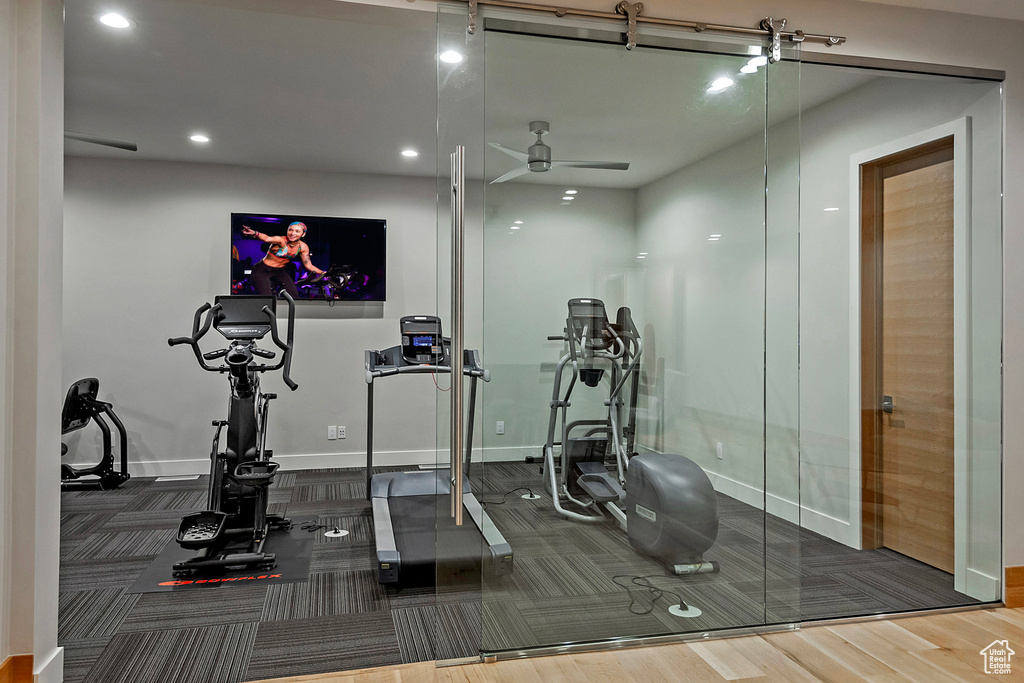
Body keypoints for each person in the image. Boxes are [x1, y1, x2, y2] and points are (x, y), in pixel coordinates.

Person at [241, 222, 324, 298]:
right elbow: (267, 238)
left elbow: (308, 265)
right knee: (267, 299)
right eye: (290, 230)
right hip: (262, 270)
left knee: (294, 296)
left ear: (303, 234)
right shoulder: (280, 240)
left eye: (297, 231)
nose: (292, 233)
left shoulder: (302, 247)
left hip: (280, 271)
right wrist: (254, 233)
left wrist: (323, 273)